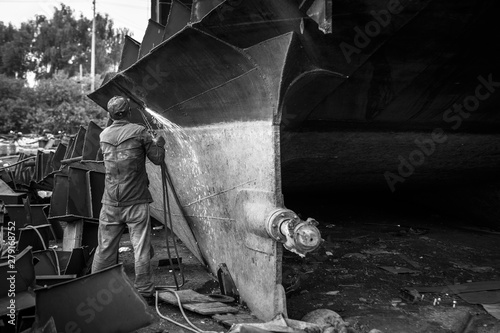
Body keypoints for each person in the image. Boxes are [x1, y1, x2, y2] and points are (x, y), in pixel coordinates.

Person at [91, 96, 165, 303]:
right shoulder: (139, 132)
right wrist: (160, 143)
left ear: (109, 114)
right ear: (129, 112)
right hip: (136, 200)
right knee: (140, 247)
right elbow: (157, 159)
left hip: (110, 202)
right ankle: (144, 291)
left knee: (105, 248)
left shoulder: (104, 135)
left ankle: (95, 288)